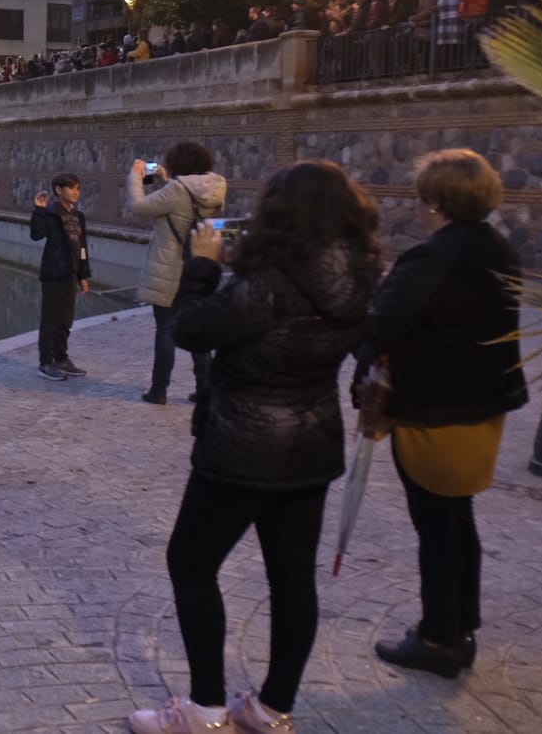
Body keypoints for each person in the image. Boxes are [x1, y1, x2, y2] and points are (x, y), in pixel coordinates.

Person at [129, 161, 382, 734]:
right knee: (292, 579)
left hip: (241, 446)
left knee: (190, 564)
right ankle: (272, 708)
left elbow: (190, 329)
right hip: (311, 448)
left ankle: (205, 708)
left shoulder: (266, 284)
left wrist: (202, 265)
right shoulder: (362, 275)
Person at [353, 149, 528, 679]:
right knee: (457, 516)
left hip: (435, 411)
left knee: (437, 524)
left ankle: (439, 638)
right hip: (483, 407)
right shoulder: (499, 247)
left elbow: (382, 325)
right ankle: (461, 624)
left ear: (433, 200)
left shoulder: (434, 256)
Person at [127, 142, 227, 405]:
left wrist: (136, 177)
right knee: (200, 327)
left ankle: (159, 390)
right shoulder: (217, 186)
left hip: (170, 266)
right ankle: (205, 387)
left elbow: (139, 206)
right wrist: (168, 181)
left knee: (165, 329)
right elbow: (186, 202)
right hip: (201, 265)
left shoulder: (175, 190)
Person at [30, 172, 92, 380]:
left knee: (65, 320)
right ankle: (45, 362)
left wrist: (83, 275)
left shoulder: (78, 217)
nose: (76, 192)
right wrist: (38, 209)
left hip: (71, 275)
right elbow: (36, 234)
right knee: (50, 320)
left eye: (78, 188)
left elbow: (82, 247)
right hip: (54, 274)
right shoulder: (50, 213)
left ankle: (61, 358)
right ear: (59, 190)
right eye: (71, 187)